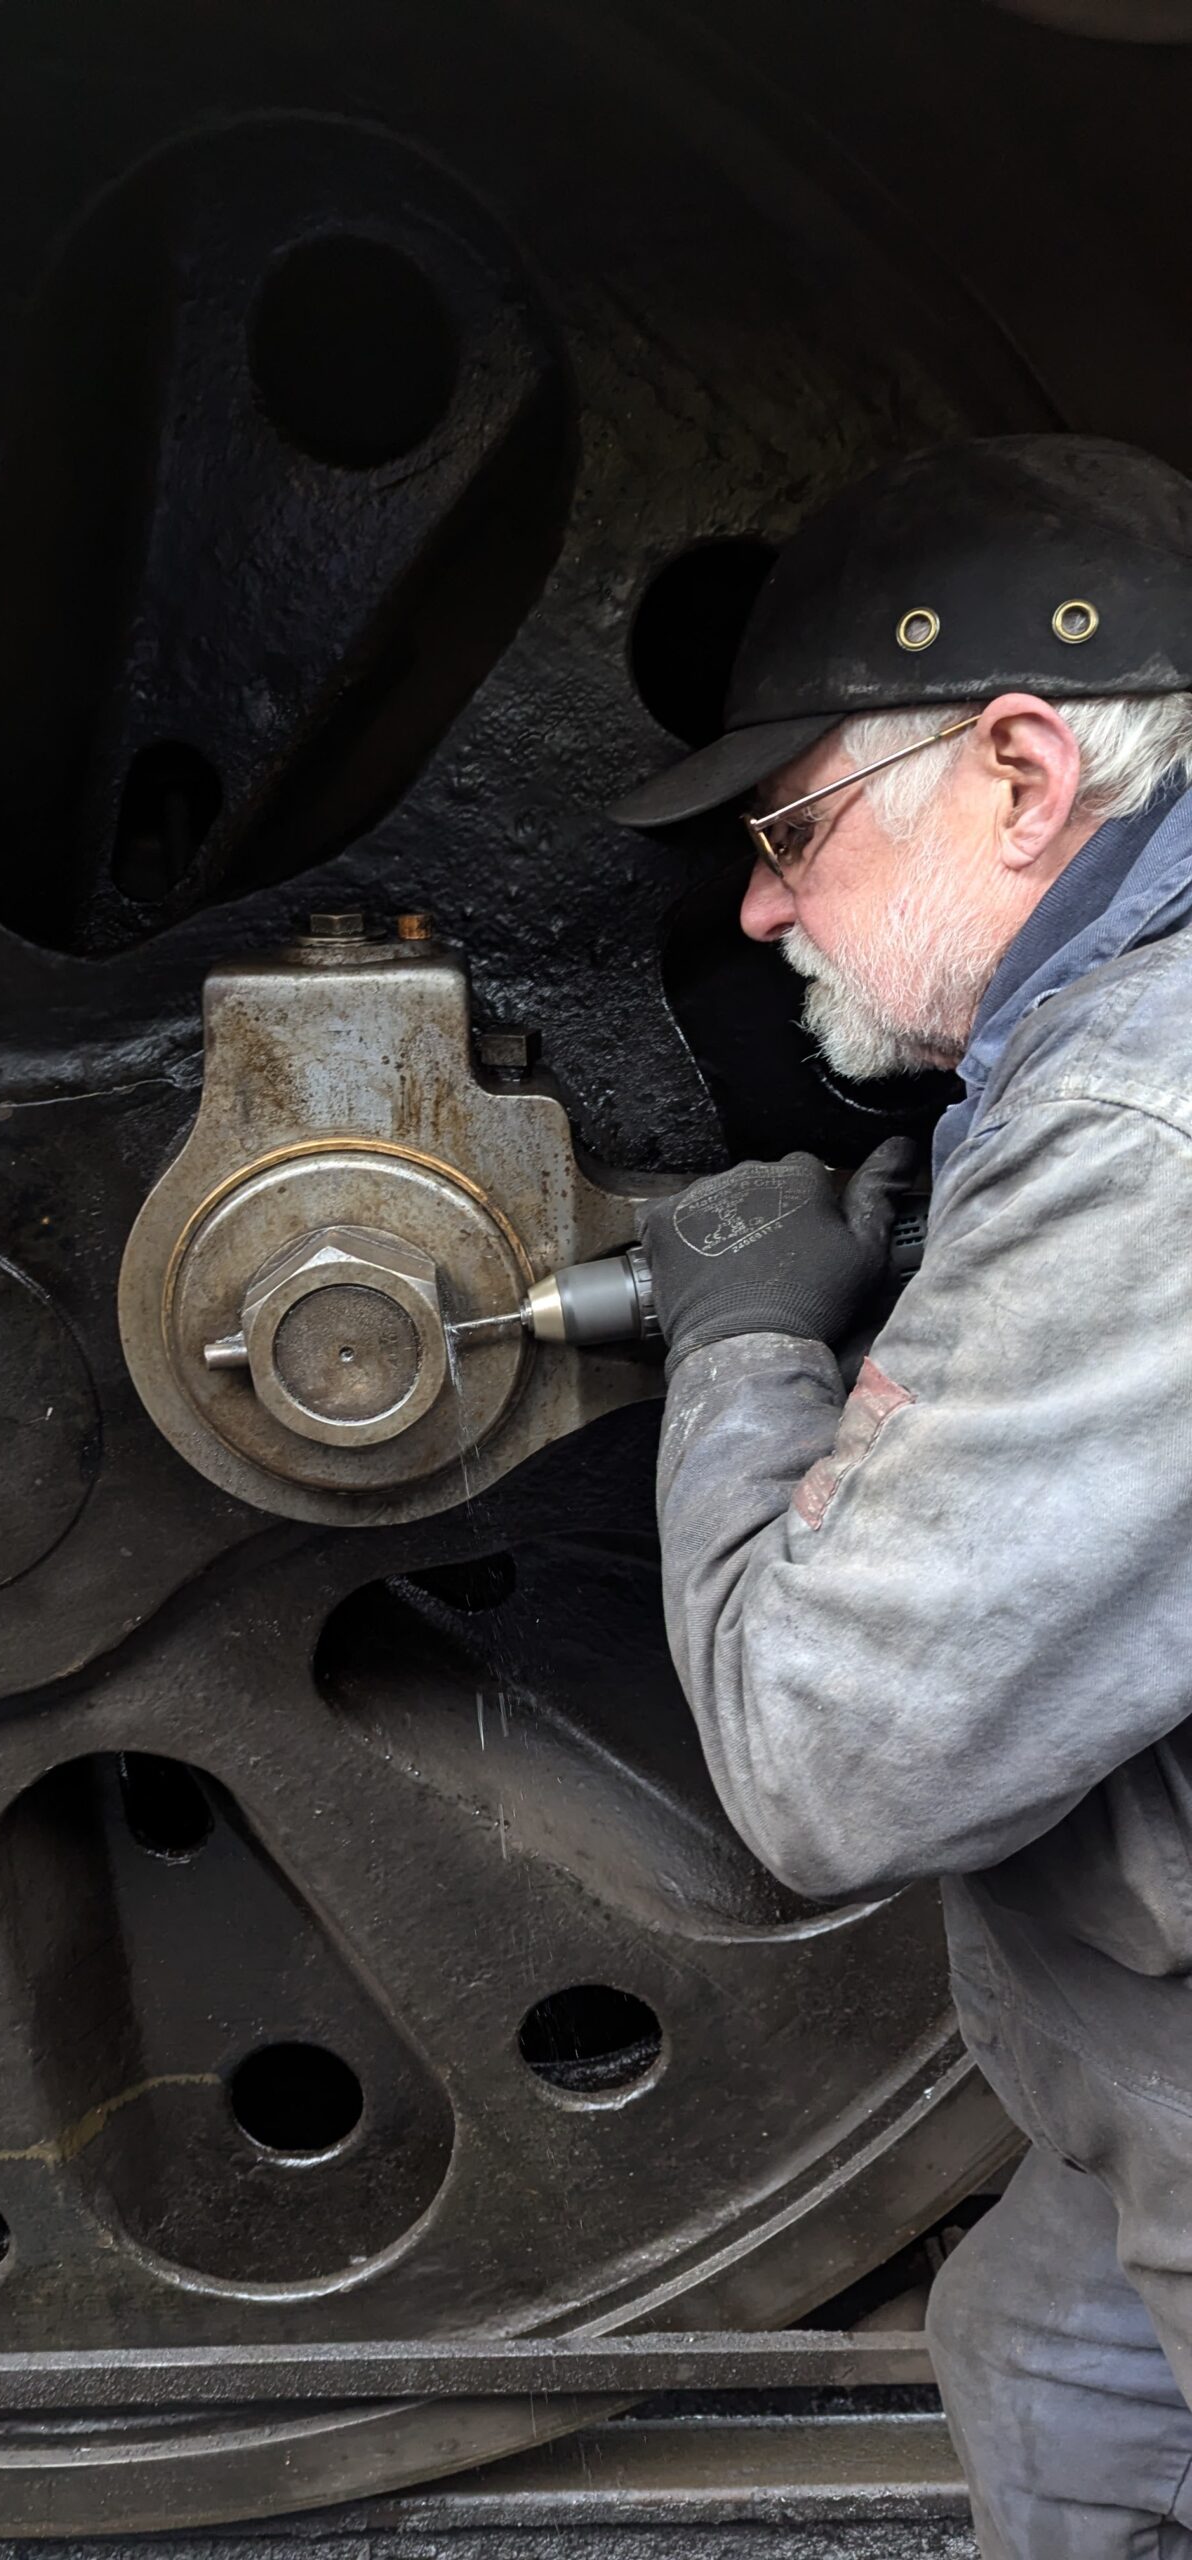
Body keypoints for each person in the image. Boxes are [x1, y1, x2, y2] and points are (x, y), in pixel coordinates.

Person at [612, 435, 1192, 2559]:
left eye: (791, 827)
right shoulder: (1112, 1054)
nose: (761, 904)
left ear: (1021, 775)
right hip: (1135, 2073)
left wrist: (749, 1343)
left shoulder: (1145, 1128)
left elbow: (831, 1765)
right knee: (1041, 2367)